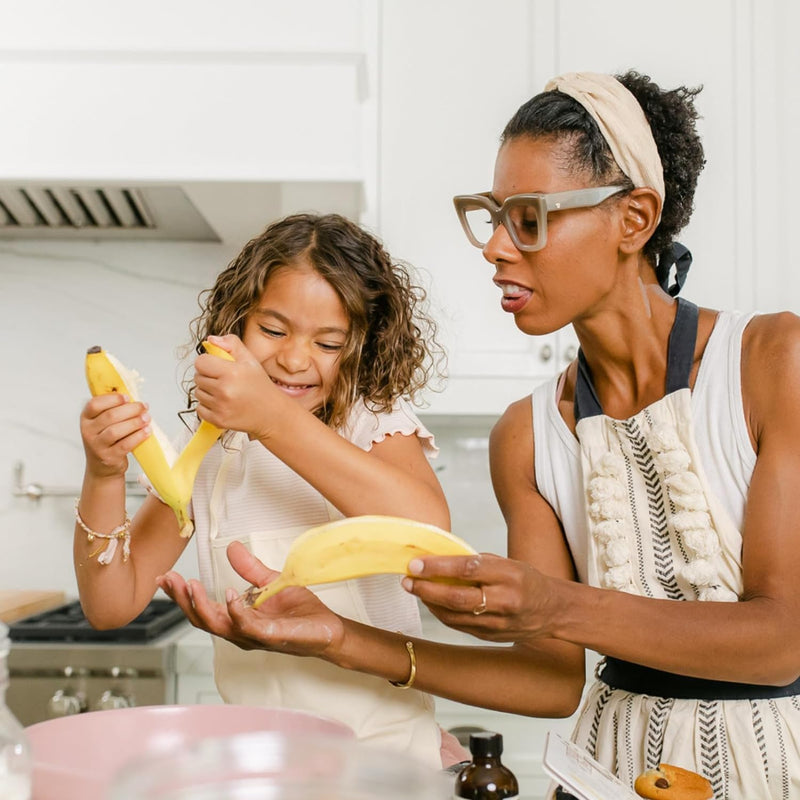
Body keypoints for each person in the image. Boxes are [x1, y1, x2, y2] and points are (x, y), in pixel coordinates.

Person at [158, 70, 800, 799]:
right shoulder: (526, 436)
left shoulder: (774, 363)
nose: (494, 246)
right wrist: (342, 640)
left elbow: (782, 642)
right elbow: (549, 681)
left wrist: (553, 604)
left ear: (634, 218)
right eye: (492, 216)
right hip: (603, 781)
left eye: (528, 218)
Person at [74, 212, 469, 770]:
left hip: (389, 770)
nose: (293, 358)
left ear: (365, 347)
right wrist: (103, 475)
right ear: (236, 323)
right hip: (266, 772)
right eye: (274, 331)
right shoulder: (210, 450)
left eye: (329, 342)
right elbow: (110, 604)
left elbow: (428, 532)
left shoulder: (369, 422)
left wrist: (271, 419)